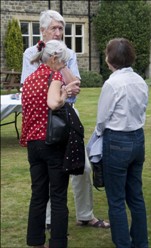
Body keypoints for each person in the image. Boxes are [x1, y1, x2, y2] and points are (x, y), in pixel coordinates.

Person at [21, 10, 110, 229]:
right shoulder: (31, 52)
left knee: (83, 167)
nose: (59, 32)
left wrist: (62, 63)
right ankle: (50, 219)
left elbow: (76, 88)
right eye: (54, 28)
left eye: (61, 28)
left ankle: (85, 214)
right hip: (45, 116)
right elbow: (30, 86)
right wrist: (61, 89)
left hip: (68, 113)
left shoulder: (68, 53)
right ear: (42, 30)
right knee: (51, 169)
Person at [20, 40, 82, 248]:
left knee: (38, 194)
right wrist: (64, 95)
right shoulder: (53, 75)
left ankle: (35, 241)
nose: (63, 67)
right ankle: (57, 243)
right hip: (52, 142)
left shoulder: (29, 79)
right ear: (54, 59)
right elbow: (53, 103)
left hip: (33, 144)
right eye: (63, 63)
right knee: (57, 196)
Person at [94, 38, 149, 247]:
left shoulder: (112, 83)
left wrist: (98, 135)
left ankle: (124, 245)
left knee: (116, 200)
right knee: (136, 196)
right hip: (137, 138)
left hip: (117, 140)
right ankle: (141, 243)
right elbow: (142, 108)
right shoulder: (140, 80)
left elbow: (101, 118)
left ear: (110, 58)